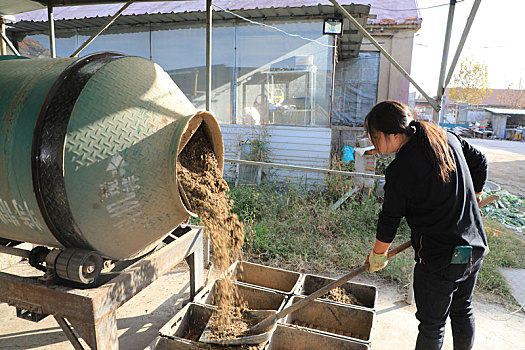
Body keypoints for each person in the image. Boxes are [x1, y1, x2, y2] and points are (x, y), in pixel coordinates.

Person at [364, 101, 488, 350]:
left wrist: (379, 253)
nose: (374, 145)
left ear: (395, 134)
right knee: (462, 310)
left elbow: (390, 218)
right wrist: (474, 195)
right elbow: (480, 161)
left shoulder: (401, 169)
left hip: (441, 258)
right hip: (473, 247)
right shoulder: (445, 137)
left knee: (433, 325)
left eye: (376, 137)